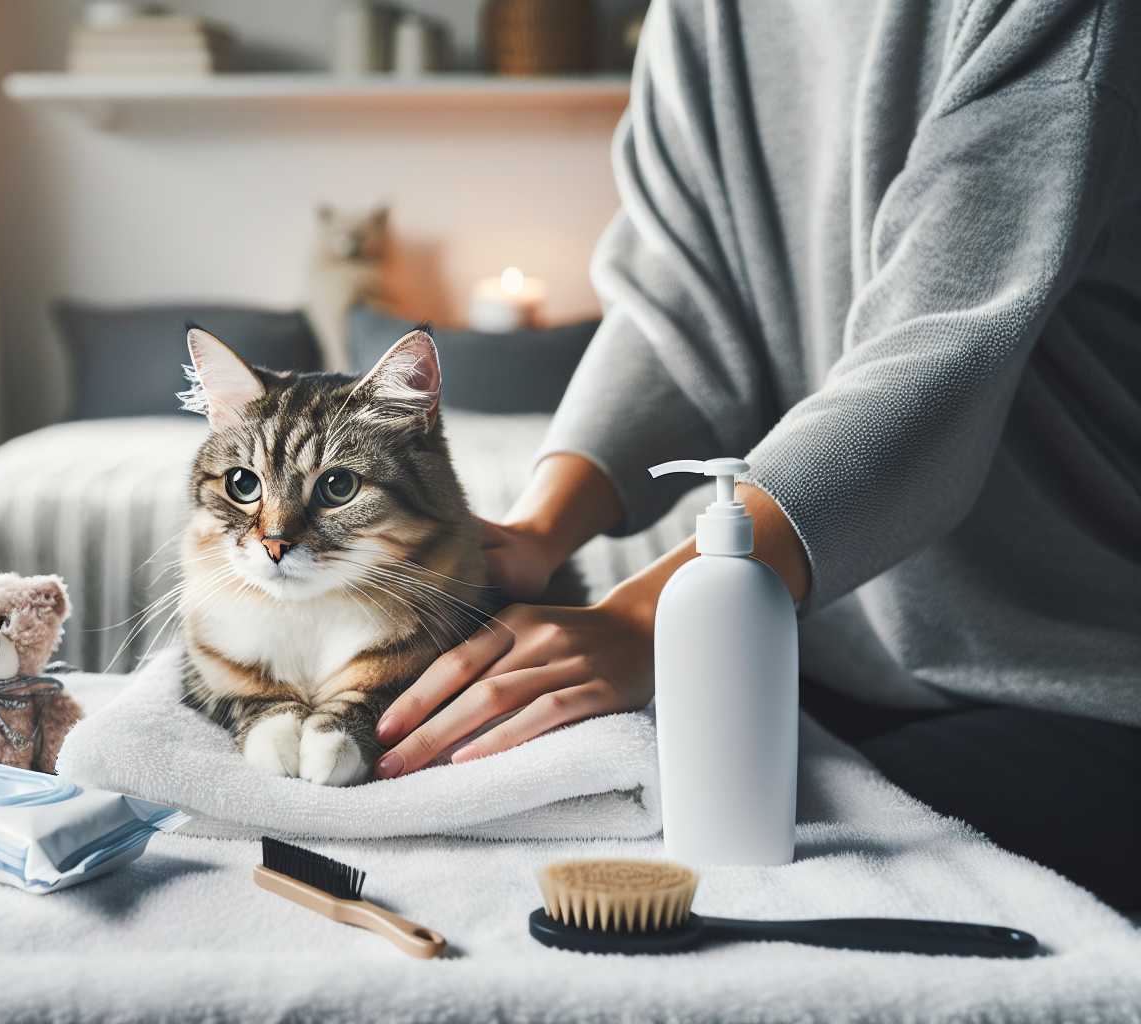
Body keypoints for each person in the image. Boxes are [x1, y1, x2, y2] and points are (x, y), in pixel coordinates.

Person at [374, 0, 1141, 911]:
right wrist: (538, 531)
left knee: (730, 897)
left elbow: (944, 357)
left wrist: (647, 619)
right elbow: (683, 302)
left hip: (1066, 686)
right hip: (814, 663)